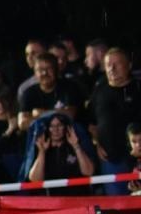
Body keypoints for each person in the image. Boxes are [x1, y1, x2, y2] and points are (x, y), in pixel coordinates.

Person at [88, 47, 141, 196]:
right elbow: (91, 122)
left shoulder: (138, 88)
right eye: (108, 65)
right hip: (112, 159)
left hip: (138, 159)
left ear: (129, 65)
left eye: (117, 64)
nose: (112, 68)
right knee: (117, 204)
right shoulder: (99, 91)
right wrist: (96, 143)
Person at [28, 111, 94, 195]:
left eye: (59, 125)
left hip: (77, 198)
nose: (56, 129)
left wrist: (76, 146)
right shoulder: (43, 149)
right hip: (54, 201)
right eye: (51, 126)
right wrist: (42, 152)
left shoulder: (75, 145)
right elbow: (35, 179)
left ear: (66, 127)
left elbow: (89, 171)